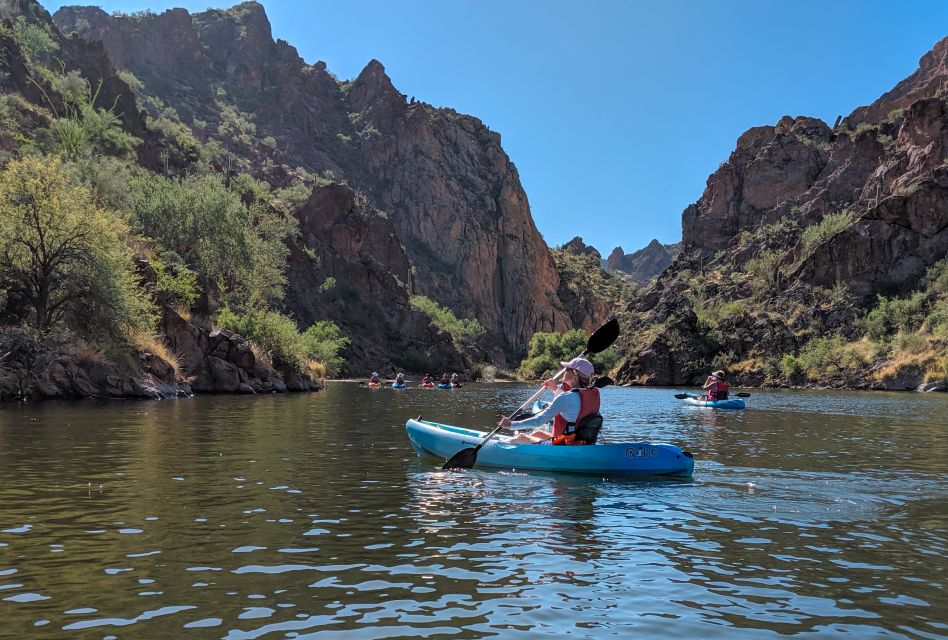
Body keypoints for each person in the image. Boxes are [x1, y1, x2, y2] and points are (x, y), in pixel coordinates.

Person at [500, 357, 601, 445]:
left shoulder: (566, 397)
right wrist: (555, 388)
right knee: (537, 433)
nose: (563, 370)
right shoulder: (592, 396)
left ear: (574, 373)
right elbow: (572, 405)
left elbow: (538, 421)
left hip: (566, 447)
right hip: (579, 442)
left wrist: (511, 425)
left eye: (566, 369)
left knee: (521, 437)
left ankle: (496, 448)